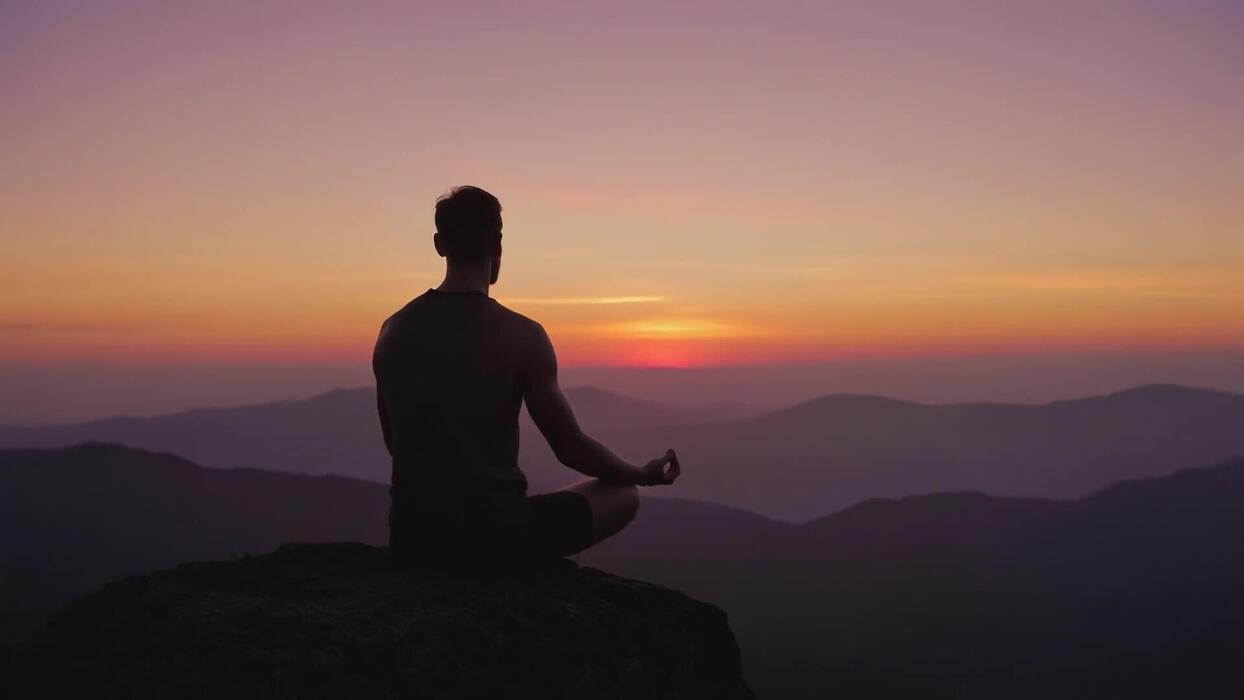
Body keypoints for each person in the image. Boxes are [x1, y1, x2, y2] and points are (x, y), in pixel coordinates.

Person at [373, 185, 680, 569]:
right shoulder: (523, 336)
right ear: (497, 244)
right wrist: (640, 473)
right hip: (500, 541)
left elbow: (395, 443)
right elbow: (569, 446)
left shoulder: (393, 331)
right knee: (624, 495)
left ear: (439, 244)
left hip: (413, 540)